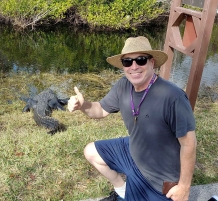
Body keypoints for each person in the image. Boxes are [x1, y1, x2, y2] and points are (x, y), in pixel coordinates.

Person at [67, 36, 197, 201]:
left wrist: (184, 187)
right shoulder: (124, 86)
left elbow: (189, 143)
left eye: (140, 60)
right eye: (127, 62)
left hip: (159, 179)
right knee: (91, 152)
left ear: (152, 62)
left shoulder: (173, 97)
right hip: (134, 152)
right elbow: (99, 110)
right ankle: (122, 190)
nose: (134, 67)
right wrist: (83, 106)